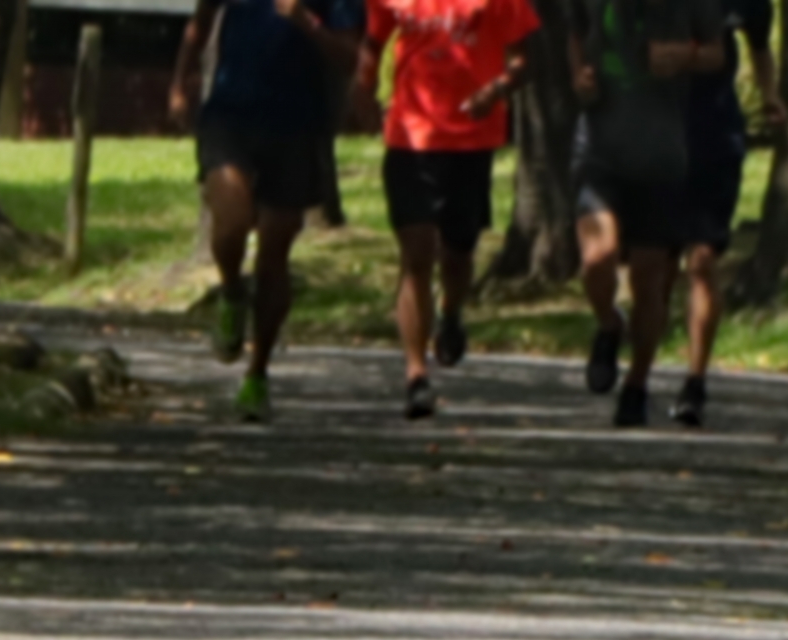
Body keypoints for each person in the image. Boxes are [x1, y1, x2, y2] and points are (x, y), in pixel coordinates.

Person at [171, 0, 365, 423]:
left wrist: (306, 22)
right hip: (229, 115)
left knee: (274, 252)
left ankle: (257, 375)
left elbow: (352, 57)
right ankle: (231, 292)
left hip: (296, 126)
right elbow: (200, 22)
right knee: (233, 218)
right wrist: (181, 82)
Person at [358, 0, 541, 420]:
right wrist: (362, 87)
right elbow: (373, 39)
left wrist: (495, 90)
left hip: (470, 141)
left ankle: (451, 312)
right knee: (417, 256)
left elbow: (524, 61)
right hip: (409, 137)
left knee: (458, 254)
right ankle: (416, 374)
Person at [571, 0, 723, 428]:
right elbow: (577, 33)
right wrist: (579, 73)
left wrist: (688, 56)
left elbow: (718, 52)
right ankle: (608, 323)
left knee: (648, 277)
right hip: (600, 149)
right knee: (598, 259)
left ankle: (636, 385)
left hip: (661, 156)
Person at [670, 0, 785, 428]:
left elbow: (759, 46)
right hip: (655, 134)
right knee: (657, 266)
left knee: (701, 261)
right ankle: (635, 365)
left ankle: (694, 382)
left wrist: (770, 96)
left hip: (714, 137)